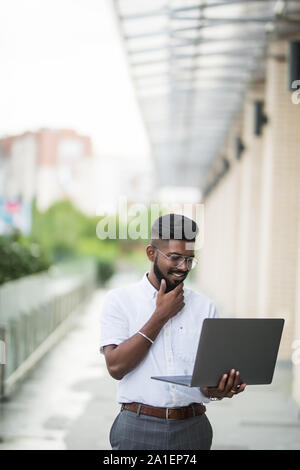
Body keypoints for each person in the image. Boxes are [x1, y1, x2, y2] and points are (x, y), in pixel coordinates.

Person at [99, 213, 246, 450]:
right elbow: (116, 367)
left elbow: (206, 383)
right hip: (137, 429)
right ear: (151, 253)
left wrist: (220, 389)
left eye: (189, 259)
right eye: (175, 257)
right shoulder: (119, 301)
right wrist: (160, 315)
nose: (183, 267)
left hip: (193, 429)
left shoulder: (205, 307)